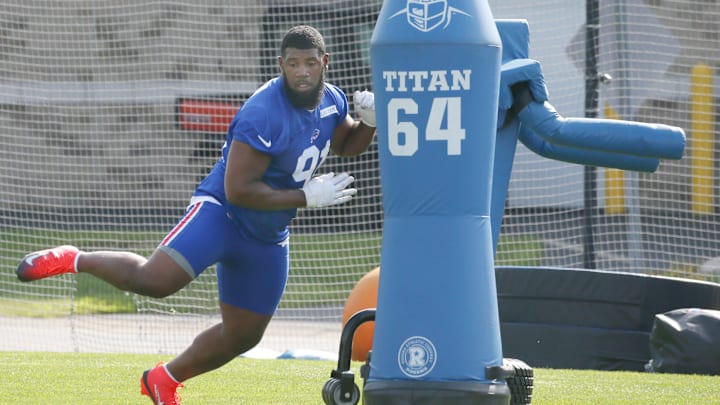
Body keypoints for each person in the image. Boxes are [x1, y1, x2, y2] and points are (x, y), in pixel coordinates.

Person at [16, 25, 376, 405]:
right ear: (280, 66)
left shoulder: (332, 99)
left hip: (268, 234)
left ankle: (164, 379)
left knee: (244, 335)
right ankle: (74, 258)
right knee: (154, 280)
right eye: (292, 64)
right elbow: (239, 189)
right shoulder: (262, 112)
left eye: (309, 63)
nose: (301, 72)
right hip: (222, 214)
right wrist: (304, 197)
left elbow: (345, 143)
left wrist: (368, 123)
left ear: (325, 63)